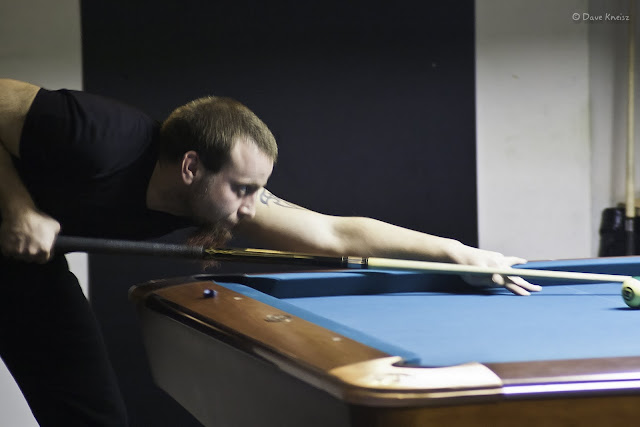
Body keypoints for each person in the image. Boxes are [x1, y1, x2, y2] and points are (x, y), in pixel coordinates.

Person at [0, 78, 540, 426]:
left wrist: (457, 252)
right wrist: (19, 209)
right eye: (243, 189)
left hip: (24, 272)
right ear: (191, 167)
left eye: (258, 190)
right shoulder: (95, 132)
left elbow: (333, 234)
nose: (252, 207)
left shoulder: (219, 198)